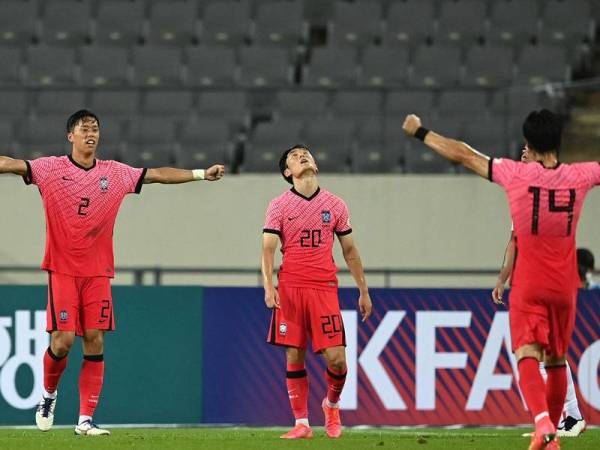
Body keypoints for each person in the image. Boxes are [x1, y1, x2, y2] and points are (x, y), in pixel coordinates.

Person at [0, 110, 225, 436]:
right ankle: (48, 395)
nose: (91, 133)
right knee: (62, 342)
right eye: (84, 128)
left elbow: (158, 174)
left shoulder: (115, 174)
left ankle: (85, 421)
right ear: (70, 136)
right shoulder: (50, 169)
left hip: (98, 272)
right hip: (62, 269)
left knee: (94, 340)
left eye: (95, 129)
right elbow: (11, 164)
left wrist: (201, 173)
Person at [403, 109, 600, 450]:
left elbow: (464, 154)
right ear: (558, 141)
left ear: (529, 144)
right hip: (565, 287)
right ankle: (552, 434)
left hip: (530, 283)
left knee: (526, 353)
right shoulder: (581, 176)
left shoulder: (514, 174)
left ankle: (542, 424)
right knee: (555, 359)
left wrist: (421, 132)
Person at [261, 145, 372, 440]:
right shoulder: (279, 205)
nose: (302, 157)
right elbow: (268, 249)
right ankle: (302, 423)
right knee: (294, 354)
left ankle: (331, 405)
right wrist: (268, 285)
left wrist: (363, 289)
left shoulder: (335, 205)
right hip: (291, 286)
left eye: (306, 153)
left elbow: (349, 250)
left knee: (337, 360)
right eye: (295, 157)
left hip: (324, 287)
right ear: (288, 172)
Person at [493, 148, 586, 439]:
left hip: (547, 280)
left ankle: (568, 417)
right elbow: (514, 242)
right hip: (535, 281)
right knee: (546, 353)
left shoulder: (552, 186)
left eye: (527, 150)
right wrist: (503, 279)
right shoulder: (522, 190)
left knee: (545, 352)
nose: (522, 154)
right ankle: (561, 419)